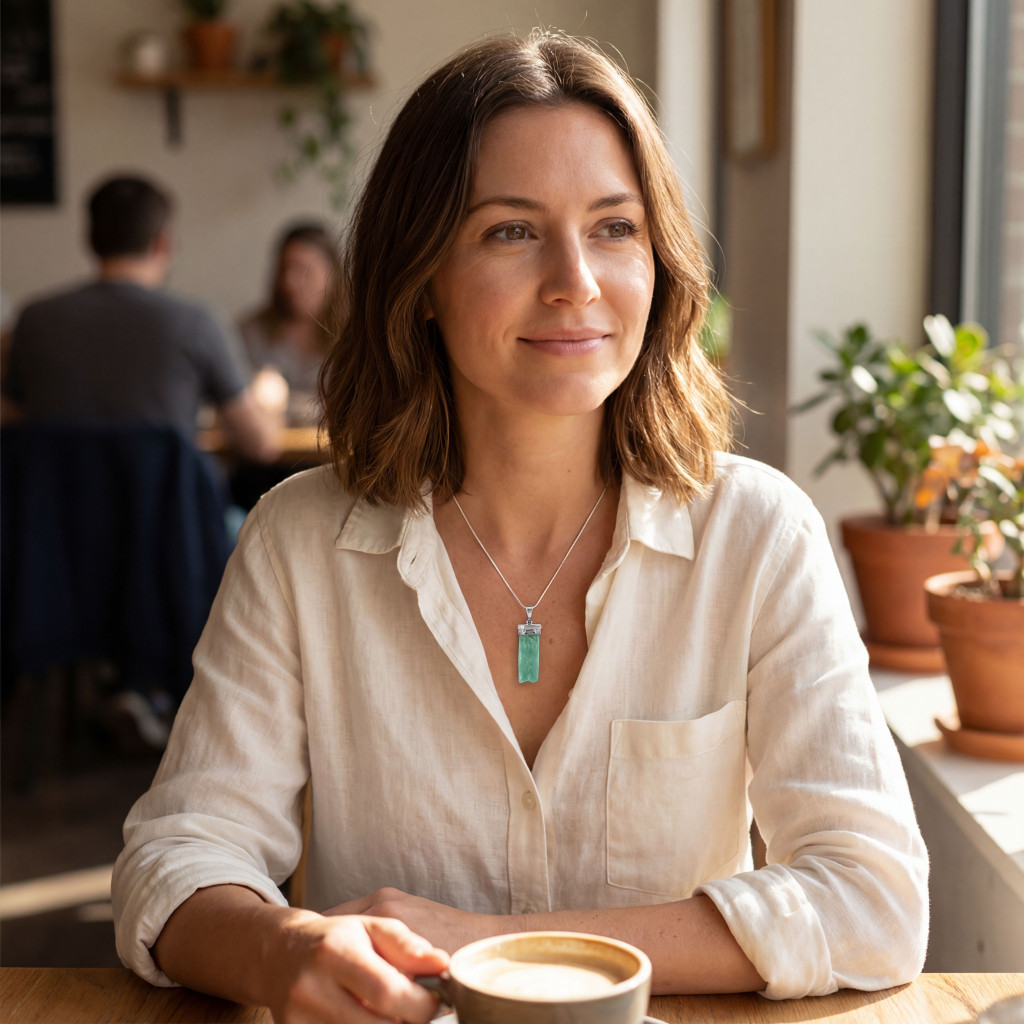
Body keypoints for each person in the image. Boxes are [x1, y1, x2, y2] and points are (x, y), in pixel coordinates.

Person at [112, 30, 929, 1023]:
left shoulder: (757, 534)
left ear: (660, 262)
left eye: (614, 227)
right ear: (420, 279)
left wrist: (486, 944)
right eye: (510, 230)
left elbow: (872, 900)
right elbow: (173, 853)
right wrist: (280, 949)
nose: (576, 280)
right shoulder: (298, 540)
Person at [2, 174, 279, 463]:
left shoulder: (33, 320)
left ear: (91, 241)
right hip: (169, 507)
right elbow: (260, 444)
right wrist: (270, 409)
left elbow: (11, 422)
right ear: (163, 244)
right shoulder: (197, 324)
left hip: (53, 506)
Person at [238, 220, 340, 423]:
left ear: (331, 274)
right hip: (265, 449)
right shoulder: (250, 333)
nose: (289, 283)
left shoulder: (354, 335)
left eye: (303, 271)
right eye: (285, 269)